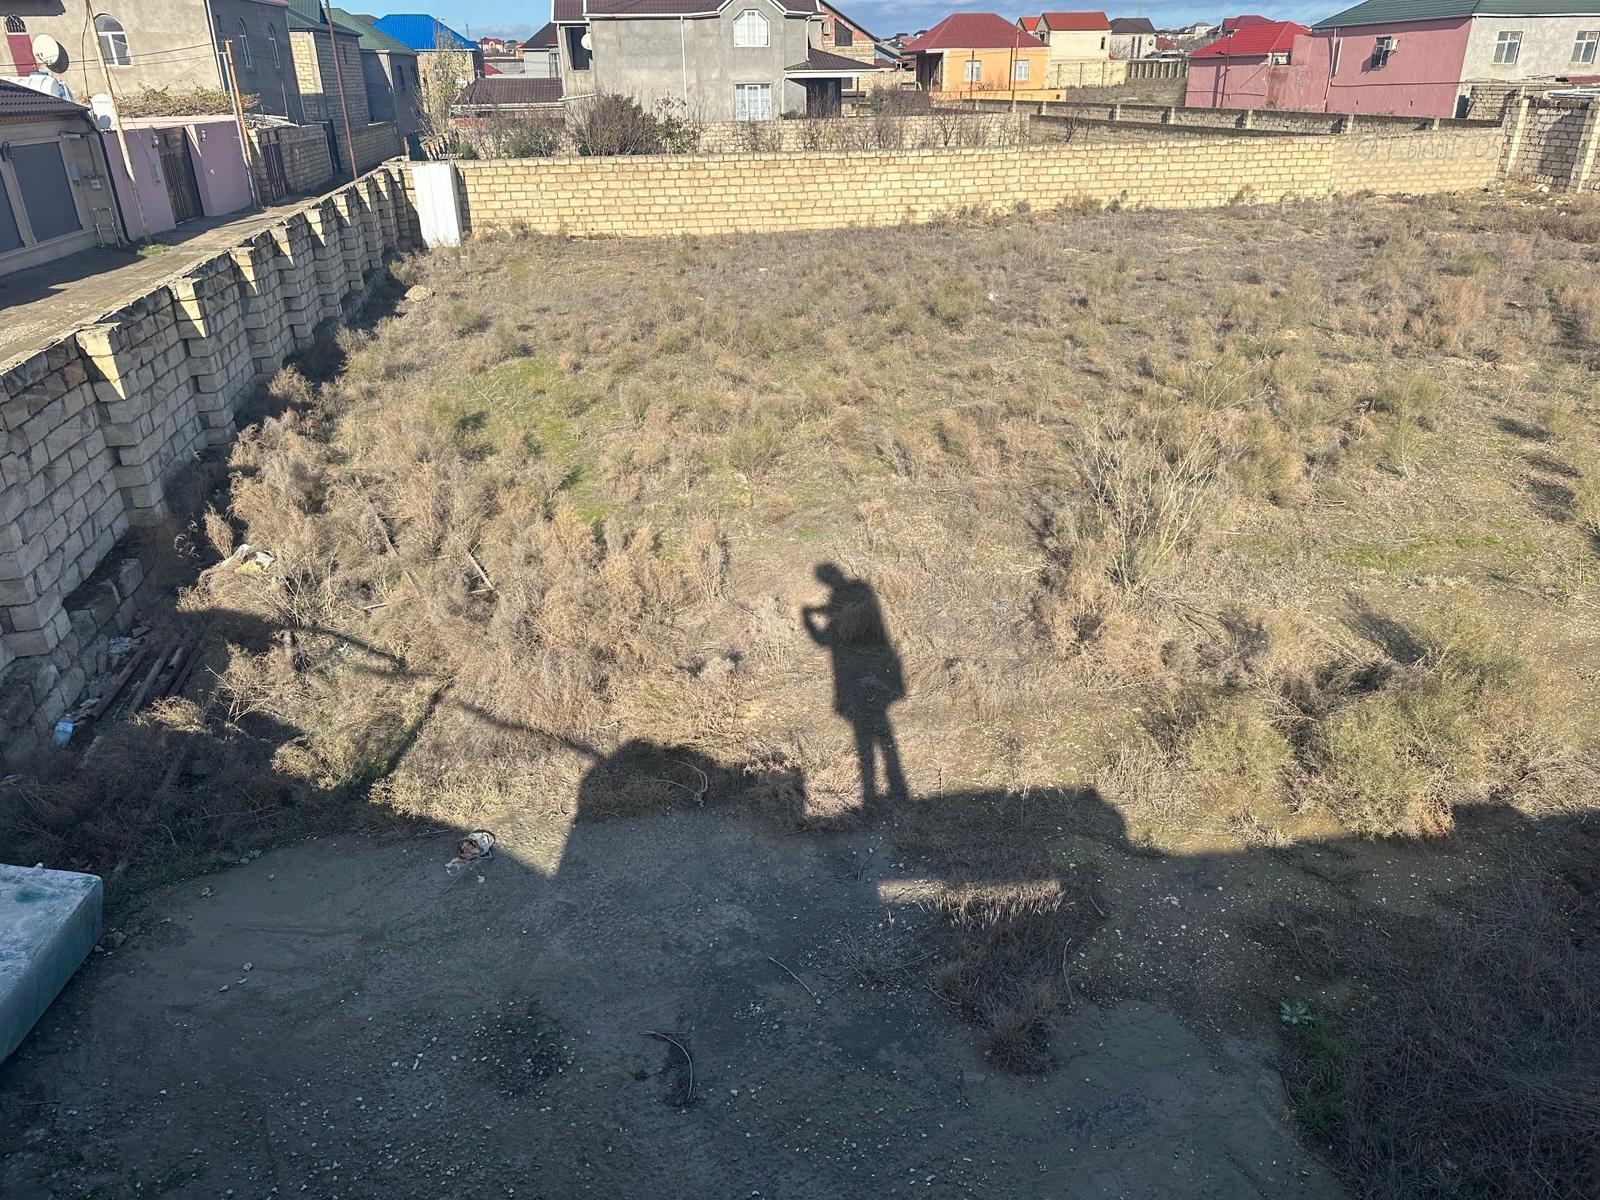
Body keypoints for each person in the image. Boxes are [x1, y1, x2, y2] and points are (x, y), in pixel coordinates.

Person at [801, 563, 909, 810]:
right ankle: (897, 791)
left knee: (866, 735)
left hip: (856, 674)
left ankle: (871, 794)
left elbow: (822, 639)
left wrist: (807, 619)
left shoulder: (847, 602)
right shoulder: (860, 594)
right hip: (876, 668)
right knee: (883, 734)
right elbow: (841, 611)